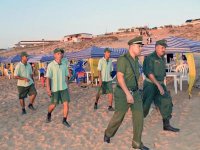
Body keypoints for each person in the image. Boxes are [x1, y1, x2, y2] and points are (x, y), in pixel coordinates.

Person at [104, 36, 149, 150]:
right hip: (123, 93)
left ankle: (137, 143)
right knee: (119, 116)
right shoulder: (123, 59)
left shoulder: (136, 60)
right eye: (139, 46)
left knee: (139, 116)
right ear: (132, 46)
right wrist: (127, 94)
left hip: (135, 92)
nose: (140, 49)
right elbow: (120, 78)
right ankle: (108, 133)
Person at [143, 39, 180, 132]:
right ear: (156, 48)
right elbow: (149, 73)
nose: (164, 49)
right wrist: (158, 85)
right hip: (150, 85)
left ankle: (166, 125)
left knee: (166, 100)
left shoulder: (162, 58)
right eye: (162, 48)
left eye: (165, 48)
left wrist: (162, 84)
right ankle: (138, 120)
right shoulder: (150, 58)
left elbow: (162, 73)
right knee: (145, 106)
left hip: (160, 84)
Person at [45, 48, 71, 127]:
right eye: (58, 54)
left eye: (60, 54)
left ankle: (64, 120)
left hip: (64, 88)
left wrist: (67, 86)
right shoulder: (51, 65)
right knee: (53, 105)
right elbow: (48, 78)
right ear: (54, 55)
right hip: (55, 89)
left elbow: (67, 76)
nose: (60, 55)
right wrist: (48, 89)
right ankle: (49, 113)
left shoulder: (64, 65)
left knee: (66, 104)